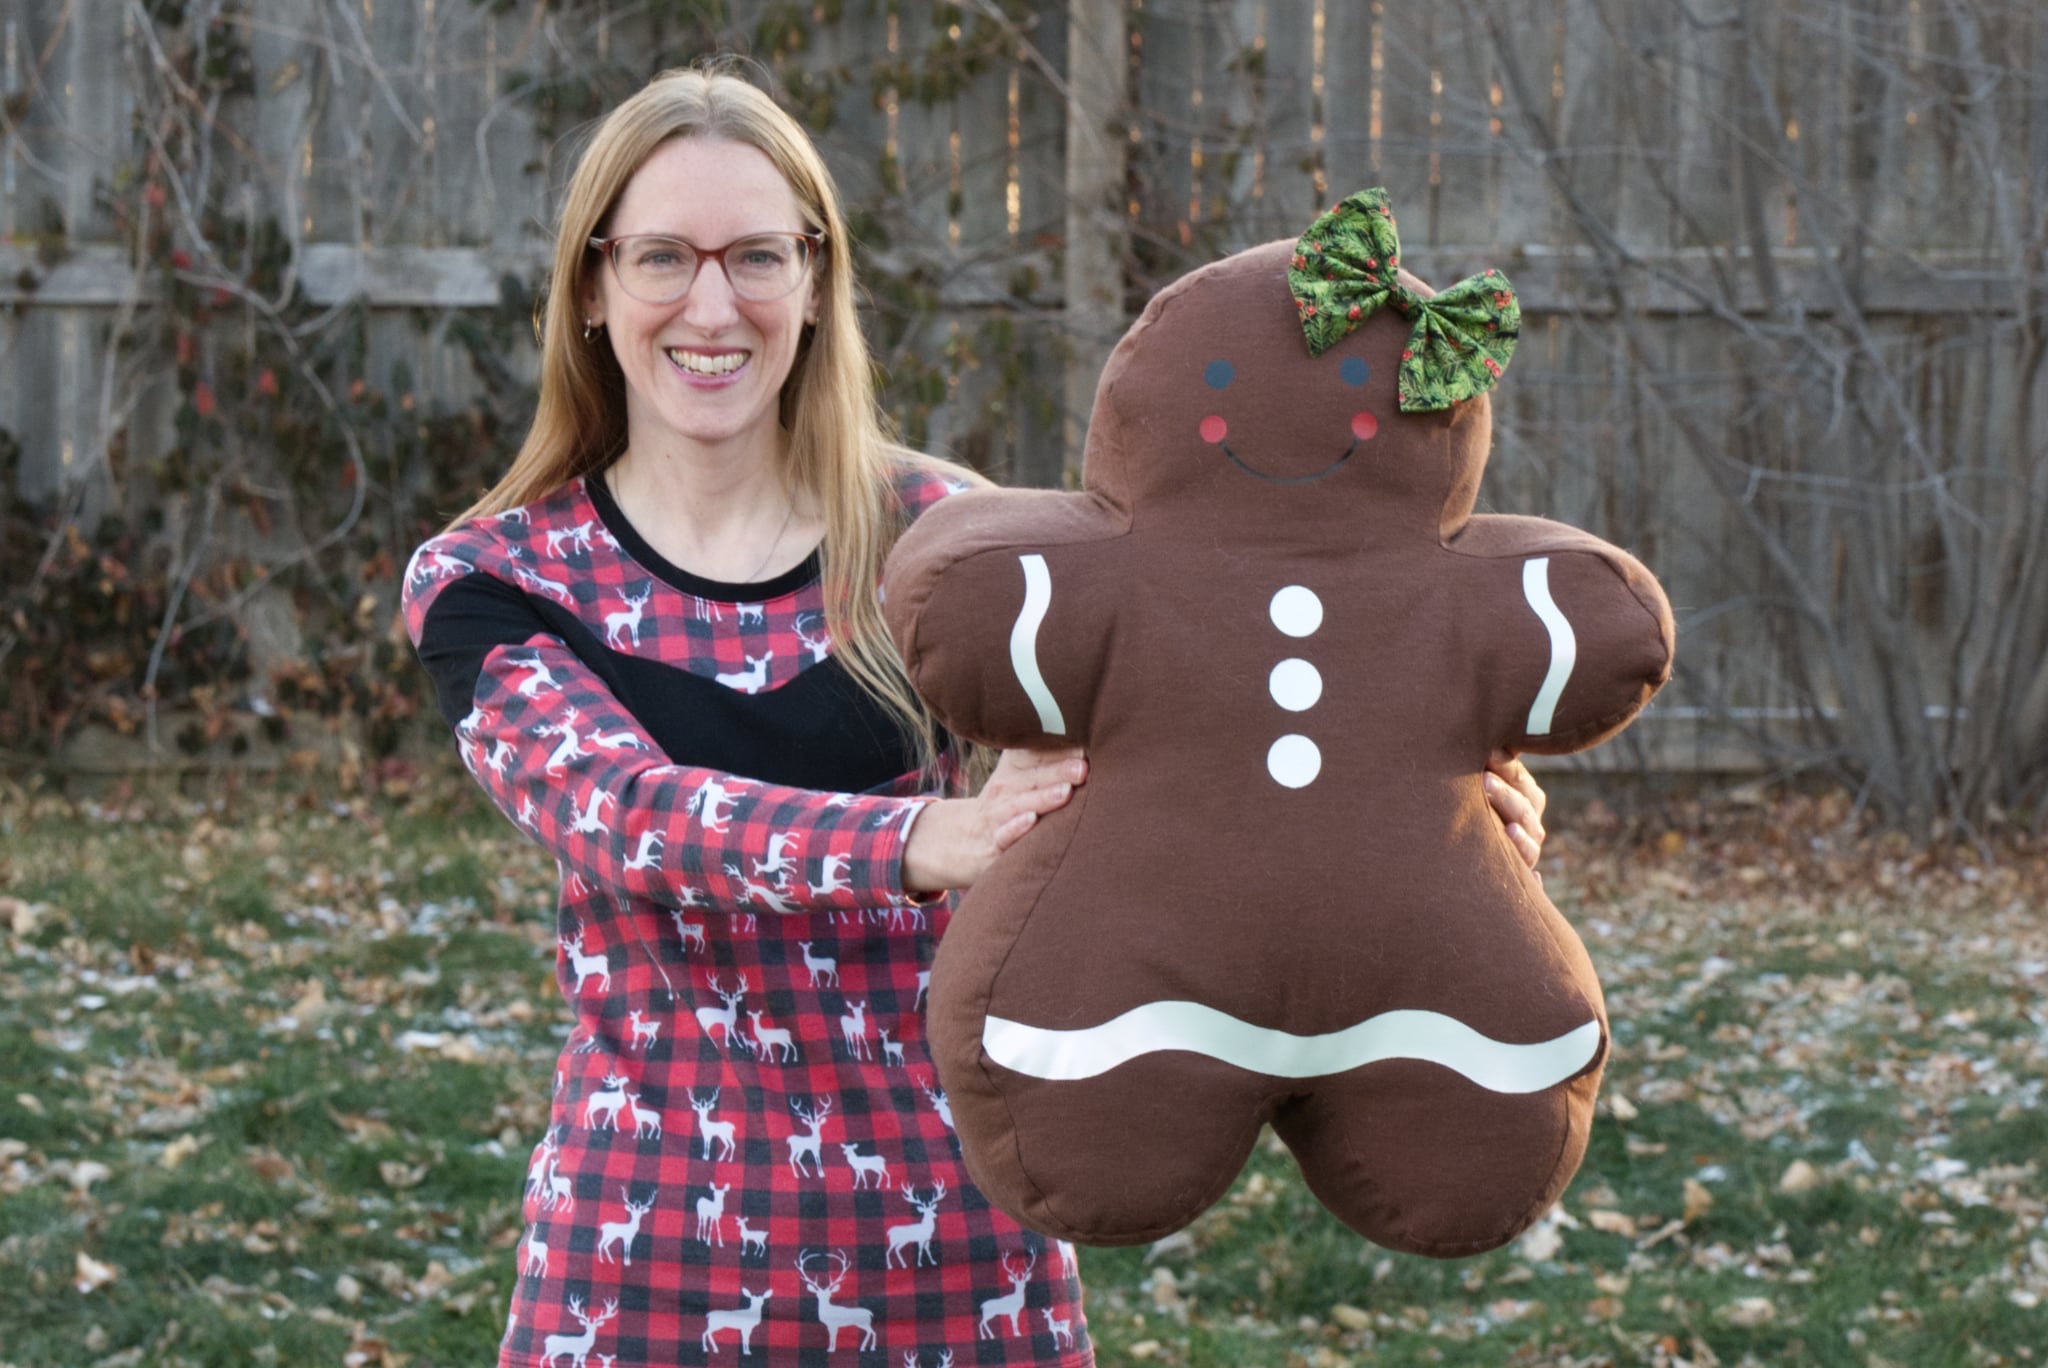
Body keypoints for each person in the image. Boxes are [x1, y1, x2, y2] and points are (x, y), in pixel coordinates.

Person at [402, 61, 1550, 1368]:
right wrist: (918, 843)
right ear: (594, 289)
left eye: (758, 256)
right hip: (643, 1261)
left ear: (819, 284)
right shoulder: (494, 580)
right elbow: (619, 811)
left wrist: (1421, 807)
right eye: (662, 255)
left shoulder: (958, 549)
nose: (711, 303)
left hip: (958, 1252)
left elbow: (1185, 757)